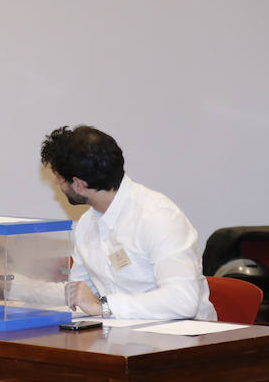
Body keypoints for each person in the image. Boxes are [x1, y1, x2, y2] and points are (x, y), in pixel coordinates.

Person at [40, 125, 216, 320]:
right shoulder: (87, 225)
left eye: (58, 177)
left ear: (79, 185)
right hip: (125, 339)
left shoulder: (157, 217)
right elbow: (76, 295)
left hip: (186, 340)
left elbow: (183, 301)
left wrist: (104, 306)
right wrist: (11, 286)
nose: (56, 184)